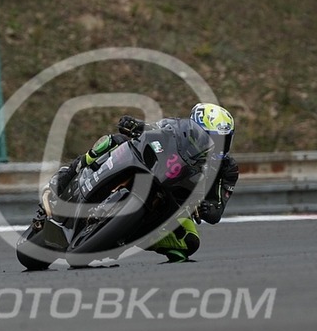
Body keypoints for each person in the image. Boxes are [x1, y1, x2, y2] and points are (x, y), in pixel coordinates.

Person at [38, 103, 239, 262]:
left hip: (175, 204)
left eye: (223, 140)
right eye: (212, 138)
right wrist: (135, 125)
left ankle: (125, 238)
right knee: (114, 141)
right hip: (154, 171)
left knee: (189, 242)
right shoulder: (176, 128)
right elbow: (154, 129)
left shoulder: (227, 169)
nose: (217, 145)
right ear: (194, 131)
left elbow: (217, 211)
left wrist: (206, 208)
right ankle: (67, 175)